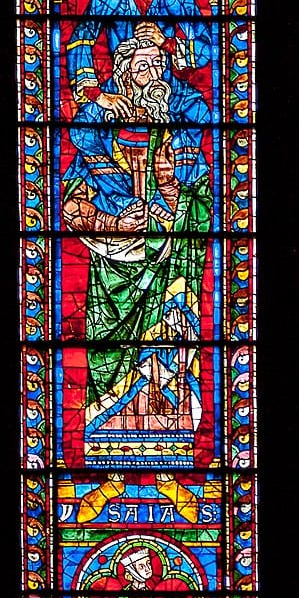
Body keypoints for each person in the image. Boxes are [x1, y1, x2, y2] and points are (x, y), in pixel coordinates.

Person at [61, 37, 215, 459]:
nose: (153, 79)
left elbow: (202, 202)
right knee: (110, 366)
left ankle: (172, 453)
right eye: (143, 70)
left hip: (170, 268)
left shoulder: (177, 137)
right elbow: (72, 206)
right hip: (113, 265)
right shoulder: (98, 139)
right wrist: (114, 222)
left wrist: (170, 187)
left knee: (170, 359)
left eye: (158, 69)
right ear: (124, 77)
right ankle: (106, 458)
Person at [63, 0, 215, 122]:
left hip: (167, 86)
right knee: (83, 124)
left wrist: (165, 42)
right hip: (121, 87)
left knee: (202, 115)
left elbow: (207, 49)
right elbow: (80, 39)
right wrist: (99, 96)